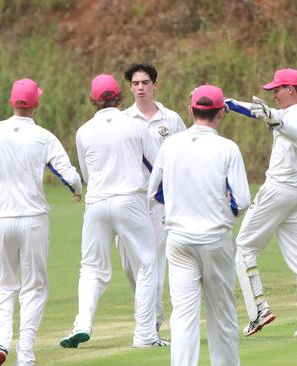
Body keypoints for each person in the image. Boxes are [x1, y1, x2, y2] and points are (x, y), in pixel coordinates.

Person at [0, 78, 82, 366]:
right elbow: (70, 176)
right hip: (34, 220)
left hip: (1, 219)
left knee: (3, 286)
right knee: (34, 287)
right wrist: (76, 191)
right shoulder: (44, 136)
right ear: (36, 104)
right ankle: (25, 352)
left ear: (12, 102)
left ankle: (0, 343)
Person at [60, 74, 165, 349]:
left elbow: (85, 173)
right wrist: (154, 196)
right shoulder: (134, 126)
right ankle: (144, 334)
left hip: (96, 202)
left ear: (94, 99)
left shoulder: (83, 131)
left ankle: (82, 323)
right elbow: (157, 165)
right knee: (146, 264)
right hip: (129, 199)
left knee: (91, 268)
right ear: (119, 95)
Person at [148, 84, 250, 366]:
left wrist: (178, 205)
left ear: (191, 111)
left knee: (183, 315)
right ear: (221, 113)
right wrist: (224, 213)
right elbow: (241, 200)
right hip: (215, 239)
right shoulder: (227, 148)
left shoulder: (171, 145)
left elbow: (152, 191)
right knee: (222, 314)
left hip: (179, 240)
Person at [229, 68, 297, 337]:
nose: (274, 95)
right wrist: (229, 103)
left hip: (278, 191)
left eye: (277, 90)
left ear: (290, 90)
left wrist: (274, 120)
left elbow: (293, 131)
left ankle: (259, 310)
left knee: (243, 248)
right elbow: (263, 113)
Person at [118, 63, 187, 332]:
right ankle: (150, 315)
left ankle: (151, 322)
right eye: (135, 84)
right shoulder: (123, 119)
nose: (140, 88)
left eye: (145, 83)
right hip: (130, 200)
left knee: (155, 262)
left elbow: (183, 158)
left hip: (161, 202)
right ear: (130, 87)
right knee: (130, 266)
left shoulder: (171, 120)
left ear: (155, 85)